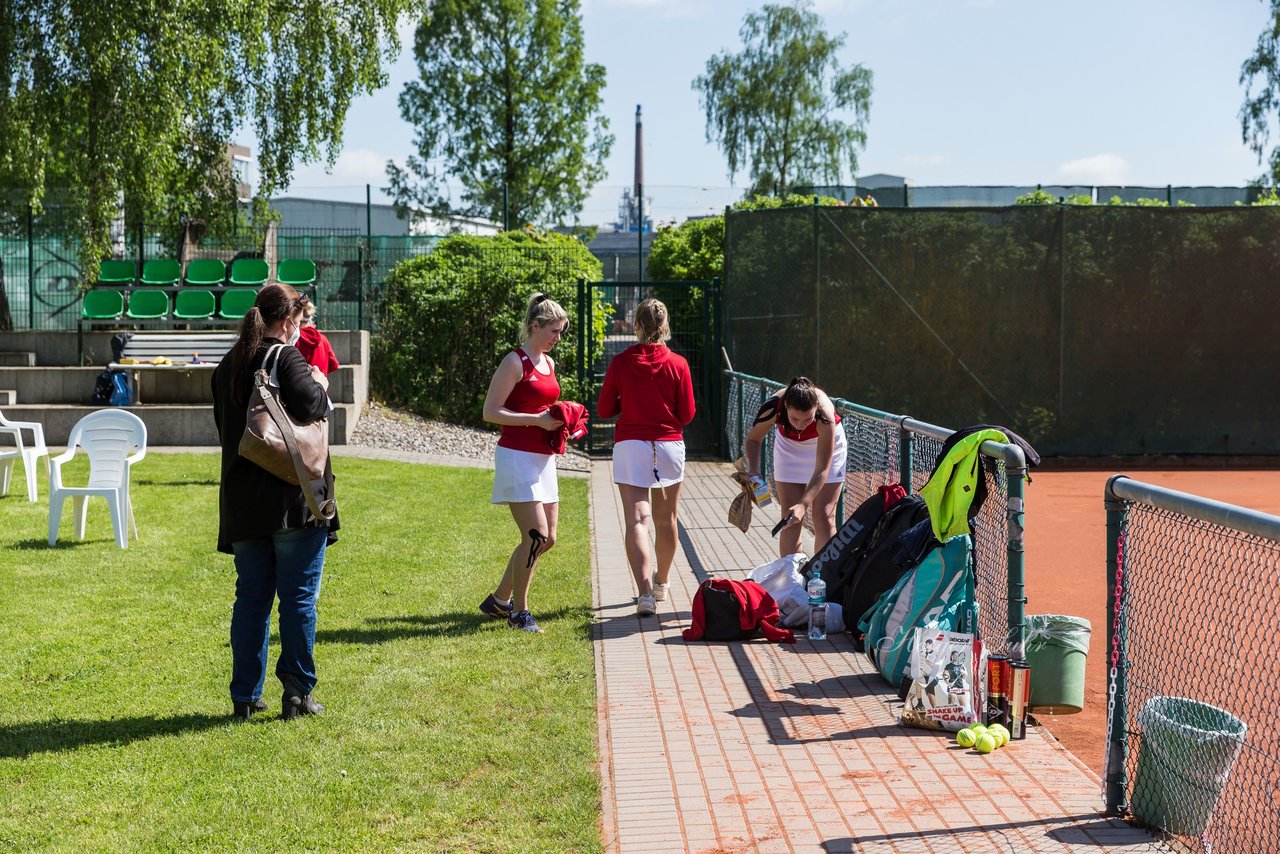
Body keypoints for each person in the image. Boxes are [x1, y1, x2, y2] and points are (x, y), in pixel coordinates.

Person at [211, 284, 338, 721]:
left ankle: (245, 697)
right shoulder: (285, 356)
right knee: (299, 598)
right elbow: (315, 405)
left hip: (243, 504)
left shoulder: (228, 364)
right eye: (301, 322)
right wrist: (320, 381)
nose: (301, 330)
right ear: (287, 321)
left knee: (251, 600)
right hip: (292, 498)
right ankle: (298, 695)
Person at [597, 298, 695, 616]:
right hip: (668, 445)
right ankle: (661, 583)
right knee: (667, 520)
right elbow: (688, 414)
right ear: (665, 327)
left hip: (631, 446)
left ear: (637, 326)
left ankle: (644, 595)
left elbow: (604, 409)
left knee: (637, 520)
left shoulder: (622, 362)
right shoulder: (678, 364)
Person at [479, 292, 569, 634]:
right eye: (554, 331)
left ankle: (500, 600)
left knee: (548, 539)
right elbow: (491, 412)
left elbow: (546, 409)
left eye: (561, 332)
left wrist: (561, 422)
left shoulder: (549, 363)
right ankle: (520, 612)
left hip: (543, 458)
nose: (558, 338)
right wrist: (537, 421)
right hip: (516, 457)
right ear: (535, 326)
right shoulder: (515, 362)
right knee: (535, 535)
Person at [742, 377, 848, 558]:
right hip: (789, 448)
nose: (800, 424)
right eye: (794, 419)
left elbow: (822, 469)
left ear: (816, 408)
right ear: (785, 408)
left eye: (808, 419)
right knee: (789, 517)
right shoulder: (773, 407)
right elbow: (753, 439)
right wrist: (753, 471)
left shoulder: (826, 416)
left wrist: (803, 504)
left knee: (823, 515)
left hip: (826, 447)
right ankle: (791, 580)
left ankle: (825, 579)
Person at [294, 299, 340, 376]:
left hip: (299, 385)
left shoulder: (294, 338)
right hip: (320, 385)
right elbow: (334, 364)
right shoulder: (323, 339)